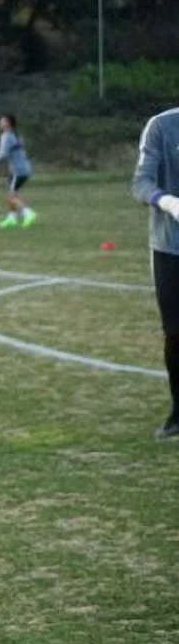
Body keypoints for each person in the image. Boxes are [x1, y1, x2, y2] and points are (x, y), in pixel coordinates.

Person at [132, 106, 179, 440]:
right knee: (176, 334)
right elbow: (141, 182)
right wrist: (168, 202)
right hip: (170, 248)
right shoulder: (162, 126)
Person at [0, 114, 37, 229]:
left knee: (11, 196)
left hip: (18, 171)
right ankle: (12, 218)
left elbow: (3, 155)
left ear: (8, 123)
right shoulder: (16, 135)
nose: (0, 122)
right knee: (11, 194)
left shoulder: (6, 136)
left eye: (2, 121)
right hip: (23, 168)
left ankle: (28, 213)